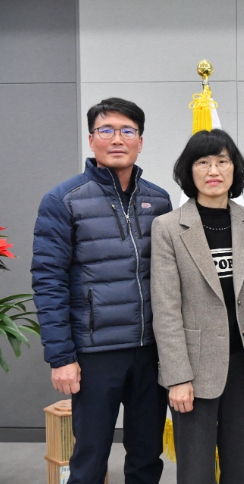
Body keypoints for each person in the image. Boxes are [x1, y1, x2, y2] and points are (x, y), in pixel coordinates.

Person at [31, 98, 171, 483]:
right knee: (90, 458)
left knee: (147, 456)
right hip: (95, 354)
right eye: (106, 130)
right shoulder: (63, 200)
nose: (117, 139)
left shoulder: (160, 201)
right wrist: (61, 357)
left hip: (150, 351)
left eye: (128, 131)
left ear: (140, 141)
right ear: (92, 140)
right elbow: (48, 281)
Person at [150, 129, 244, 483]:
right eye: (203, 162)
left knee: (240, 465)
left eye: (222, 161)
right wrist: (177, 377)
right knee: (195, 469)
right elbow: (166, 307)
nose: (213, 170)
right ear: (188, 171)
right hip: (194, 368)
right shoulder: (168, 227)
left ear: (235, 169)